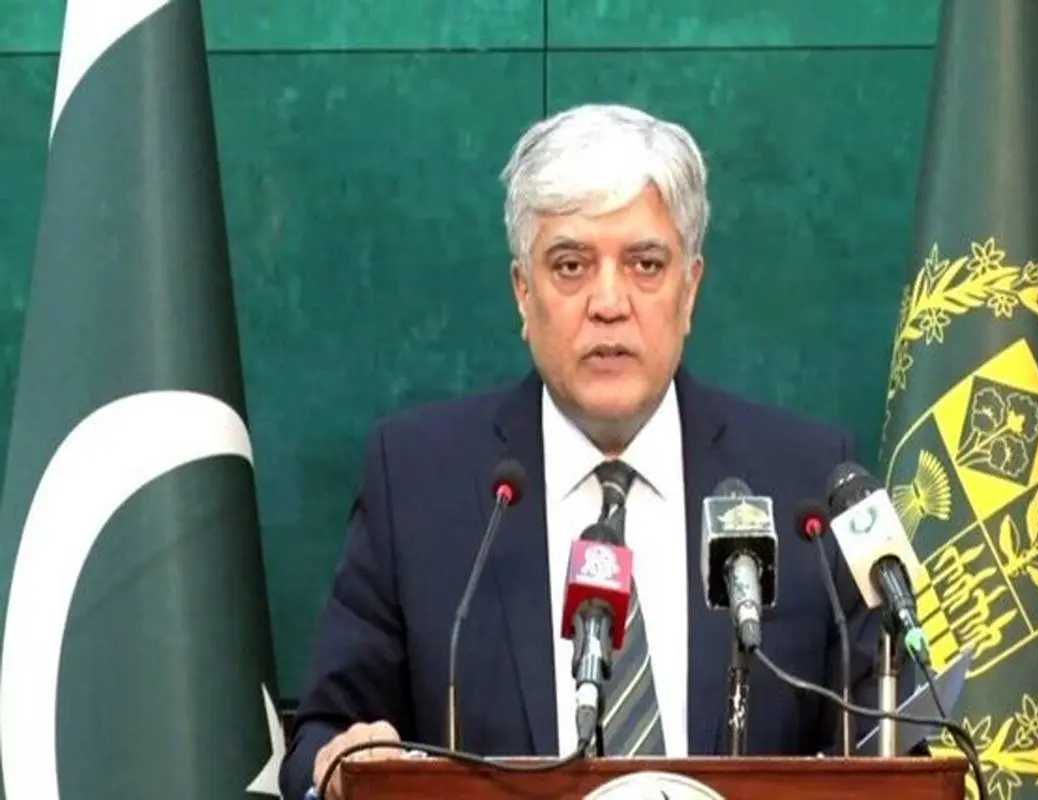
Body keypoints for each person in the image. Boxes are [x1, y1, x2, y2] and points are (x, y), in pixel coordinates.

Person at [280, 103, 887, 800]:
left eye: (645, 265)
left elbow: (890, 744)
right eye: (570, 265)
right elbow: (322, 739)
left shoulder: (804, 483)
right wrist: (341, 767)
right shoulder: (418, 482)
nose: (608, 302)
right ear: (522, 292)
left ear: (690, 288)